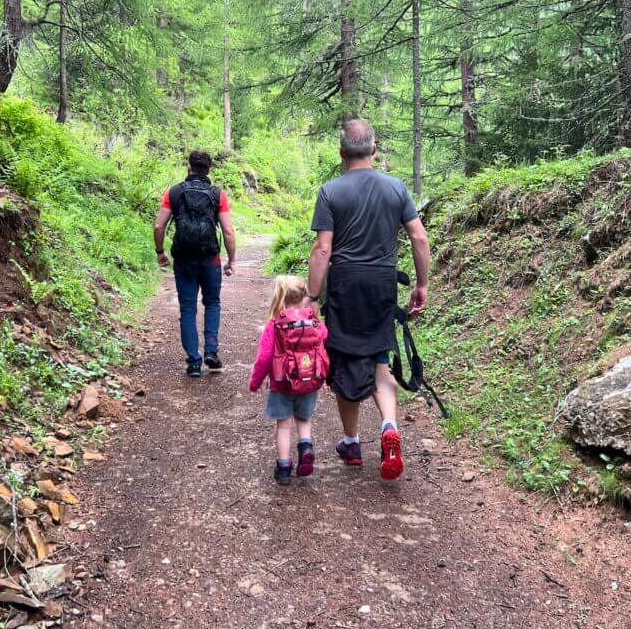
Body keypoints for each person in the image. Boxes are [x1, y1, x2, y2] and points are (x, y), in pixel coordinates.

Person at [306, 119, 430, 480]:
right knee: (379, 357)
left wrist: (312, 297)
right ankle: (389, 425)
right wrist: (421, 284)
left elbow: (322, 248)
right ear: (374, 150)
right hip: (382, 283)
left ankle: (352, 441)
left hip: (345, 284)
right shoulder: (396, 188)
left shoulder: (331, 191)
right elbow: (419, 239)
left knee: (345, 362)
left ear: (342, 152)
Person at [154, 151, 237, 378]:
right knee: (212, 303)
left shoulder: (174, 191)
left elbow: (159, 226)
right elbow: (228, 231)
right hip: (210, 258)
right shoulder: (217, 194)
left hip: (183, 258)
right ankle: (211, 350)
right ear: (208, 170)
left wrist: (160, 251)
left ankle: (193, 361)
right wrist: (231, 260)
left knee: (188, 308)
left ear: (189, 167)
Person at [249, 275, 328, 485]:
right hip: (309, 380)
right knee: (304, 418)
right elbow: (325, 337)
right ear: (304, 298)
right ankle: (306, 446)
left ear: (280, 299)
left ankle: (283, 468)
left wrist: (255, 382)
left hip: (281, 383)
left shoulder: (275, 324)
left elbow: (264, 357)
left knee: (283, 425)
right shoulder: (314, 321)